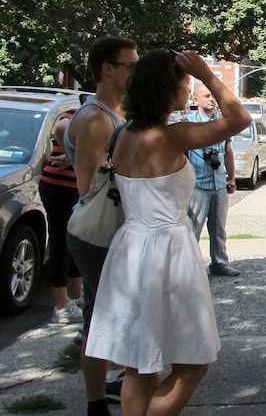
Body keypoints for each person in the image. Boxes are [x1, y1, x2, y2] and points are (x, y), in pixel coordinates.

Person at [85, 49, 250, 416]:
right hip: (167, 250)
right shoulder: (172, 137)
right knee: (192, 363)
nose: (190, 91)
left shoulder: (124, 134)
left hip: (130, 248)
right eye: (186, 84)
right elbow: (238, 118)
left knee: (139, 366)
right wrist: (209, 74)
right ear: (167, 89)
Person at [64, 36, 137, 416]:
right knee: (104, 316)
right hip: (98, 233)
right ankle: (101, 399)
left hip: (109, 232)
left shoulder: (114, 115)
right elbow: (89, 187)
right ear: (107, 69)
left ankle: (106, 393)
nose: (136, 72)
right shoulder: (95, 119)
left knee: (105, 314)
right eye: (130, 65)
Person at [186, 82, 240, 277]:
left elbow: (228, 151)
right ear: (196, 100)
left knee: (218, 228)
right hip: (197, 184)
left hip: (219, 183)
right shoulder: (188, 123)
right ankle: (189, 265)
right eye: (207, 96)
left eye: (213, 96)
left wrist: (232, 178)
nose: (211, 99)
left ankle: (219, 263)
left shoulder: (222, 122)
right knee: (193, 227)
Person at [40, 108, 84, 324]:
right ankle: (60, 305)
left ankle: (76, 297)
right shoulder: (85, 111)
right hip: (59, 187)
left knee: (76, 242)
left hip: (76, 188)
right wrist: (74, 154)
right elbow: (61, 126)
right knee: (60, 243)